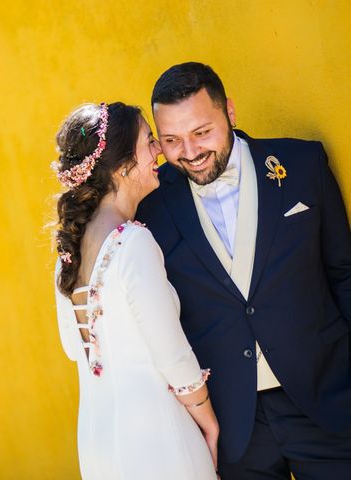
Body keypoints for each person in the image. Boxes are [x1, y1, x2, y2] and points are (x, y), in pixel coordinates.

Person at [137, 62, 351, 479]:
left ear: (230, 113)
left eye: (202, 132)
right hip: (233, 428)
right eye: (172, 140)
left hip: (325, 401)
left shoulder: (303, 163)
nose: (191, 152)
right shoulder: (150, 204)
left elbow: (343, 273)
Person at [52, 101, 218, 479]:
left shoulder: (68, 253)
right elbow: (172, 355)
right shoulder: (134, 242)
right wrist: (207, 419)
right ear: (124, 165)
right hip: (158, 438)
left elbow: (71, 346)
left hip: (99, 441)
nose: (159, 148)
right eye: (149, 141)